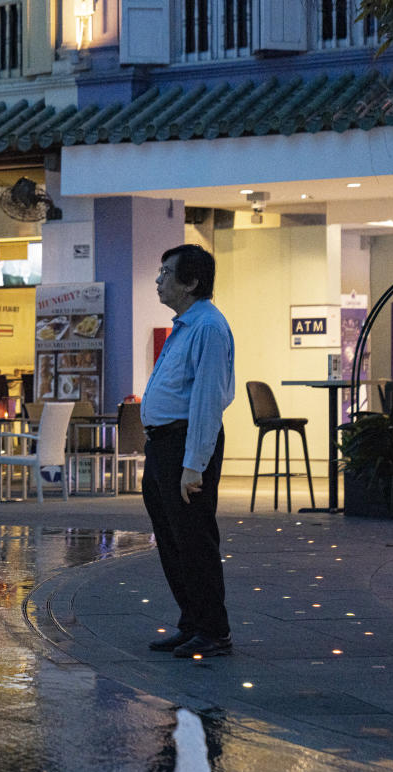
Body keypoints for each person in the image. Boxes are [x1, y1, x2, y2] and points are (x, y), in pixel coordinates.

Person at [142, 244, 235, 659]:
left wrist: (193, 465)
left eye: (166, 272)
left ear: (191, 282)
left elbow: (206, 401)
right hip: (163, 445)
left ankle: (214, 630)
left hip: (184, 446)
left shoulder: (208, 328)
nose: (159, 280)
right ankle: (192, 622)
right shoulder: (186, 325)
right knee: (172, 540)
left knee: (194, 541)